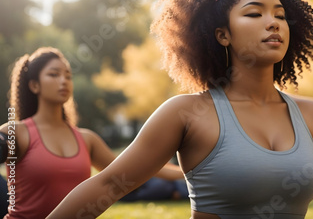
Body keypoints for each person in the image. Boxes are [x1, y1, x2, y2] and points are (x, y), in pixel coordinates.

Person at [47, 0, 313, 219]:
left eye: (280, 15)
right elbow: (110, 184)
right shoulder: (185, 114)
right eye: (254, 14)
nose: (273, 23)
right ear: (222, 35)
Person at [0, 47, 184, 219]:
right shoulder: (16, 132)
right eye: (53, 74)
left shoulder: (87, 139)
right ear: (34, 86)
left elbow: (136, 167)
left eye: (68, 76)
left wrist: (185, 171)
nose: (63, 80)